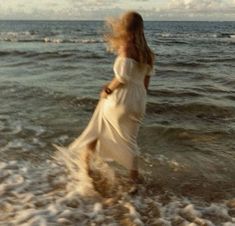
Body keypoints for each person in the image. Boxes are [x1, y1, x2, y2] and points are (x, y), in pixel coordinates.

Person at [56, 11, 155, 184]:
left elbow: (122, 78)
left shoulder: (126, 47)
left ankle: (86, 171)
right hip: (139, 101)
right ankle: (134, 180)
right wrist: (137, 97)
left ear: (124, 26)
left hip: (121, 98)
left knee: (95, 130)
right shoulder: (148, 53)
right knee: (130, 142)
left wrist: (107, 90)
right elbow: (145, 84)